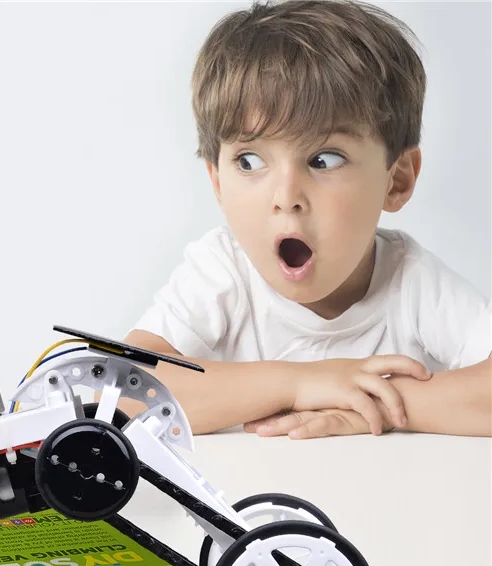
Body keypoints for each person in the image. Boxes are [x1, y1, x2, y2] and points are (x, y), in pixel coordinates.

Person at [124, 0, 491, 438]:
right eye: (249, 161)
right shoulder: (224, 273)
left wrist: (375, 403)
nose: (286, 198)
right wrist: (299, 383)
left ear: (396, 180)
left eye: (324, 159)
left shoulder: (411, 282)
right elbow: (119, 390)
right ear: (218, 183)